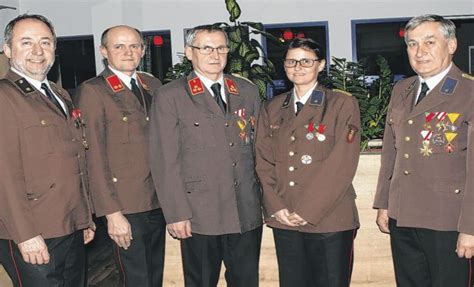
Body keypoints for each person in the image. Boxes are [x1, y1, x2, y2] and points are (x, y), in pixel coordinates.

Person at [149, 25, 262, 287]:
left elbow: (256, 149)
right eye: (206, 48)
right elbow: (165, 160)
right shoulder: (171, 96)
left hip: (245, 211)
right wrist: (176, 213)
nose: (215, 54)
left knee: (246, 281)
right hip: (200, 215)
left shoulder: (246, 91)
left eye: (221, 47)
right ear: (189, 52)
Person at [373, 14, 474, 286]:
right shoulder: (402, 89)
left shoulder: (468, 92)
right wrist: (384, 204)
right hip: (402, 215)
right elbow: (391, 154)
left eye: (430, 41)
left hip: (447, 221)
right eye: (413, 44)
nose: (420, 51)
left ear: (451, 45)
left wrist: (470, 228)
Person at [255, 38, 360, 286]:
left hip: (330, 217)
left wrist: (308, 211)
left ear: (321, 65)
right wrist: (276, 205)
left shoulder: (341, 104)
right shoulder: (272, 107)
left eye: (306, 61)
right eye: (291, 61)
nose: (298, 66)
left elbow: (342, 164)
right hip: (285, 218)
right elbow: (263, 159)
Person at [0, 14, 95, 286]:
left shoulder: (58, 93)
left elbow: (75, 158)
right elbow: (4, 174)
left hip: (69, 224)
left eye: (45, 42)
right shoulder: (5, 97)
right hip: (32, 230)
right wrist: (25, 234)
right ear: (8, 50)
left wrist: (84, 217)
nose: (38, 51)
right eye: (26, 42)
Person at [74, 25, 166, 286]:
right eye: (119, 46)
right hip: (125, 204)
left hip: (157, 200)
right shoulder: (93, 91)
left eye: (134, 46)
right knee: (135, 277)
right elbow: (92, 157)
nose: (128, 52)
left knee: (156, 273)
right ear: (104, 51)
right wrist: (111, 213)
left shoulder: (152, 85)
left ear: (143, 50)